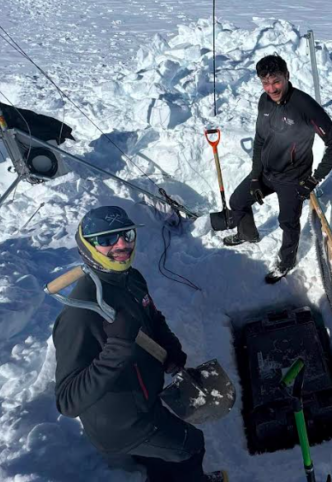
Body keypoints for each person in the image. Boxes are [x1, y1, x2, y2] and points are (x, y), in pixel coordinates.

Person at [53, 206, 226, 481]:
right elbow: (67, 401)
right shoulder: (80, 314)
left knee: (164, 460)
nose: (122, 245)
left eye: (127, 235)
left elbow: (152, 317)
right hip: (122, 424)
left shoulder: (131, 278)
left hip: (146, 399)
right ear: (87, 247)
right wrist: (116, 349)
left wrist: (169, 348)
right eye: (107, 239)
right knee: (191, 445)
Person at [219, 54, 332, 284]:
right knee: (237, 201)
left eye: (276, 81)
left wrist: (314, 179)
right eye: (265, 83)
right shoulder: (264, 101)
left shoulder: (305, 106)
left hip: (293, 179)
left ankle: (286, 262)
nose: (271, 88)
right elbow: (260, 139)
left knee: (288, 222)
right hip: (266, 172)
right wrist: (255, 176)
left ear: (287, 76)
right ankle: (248, 233)